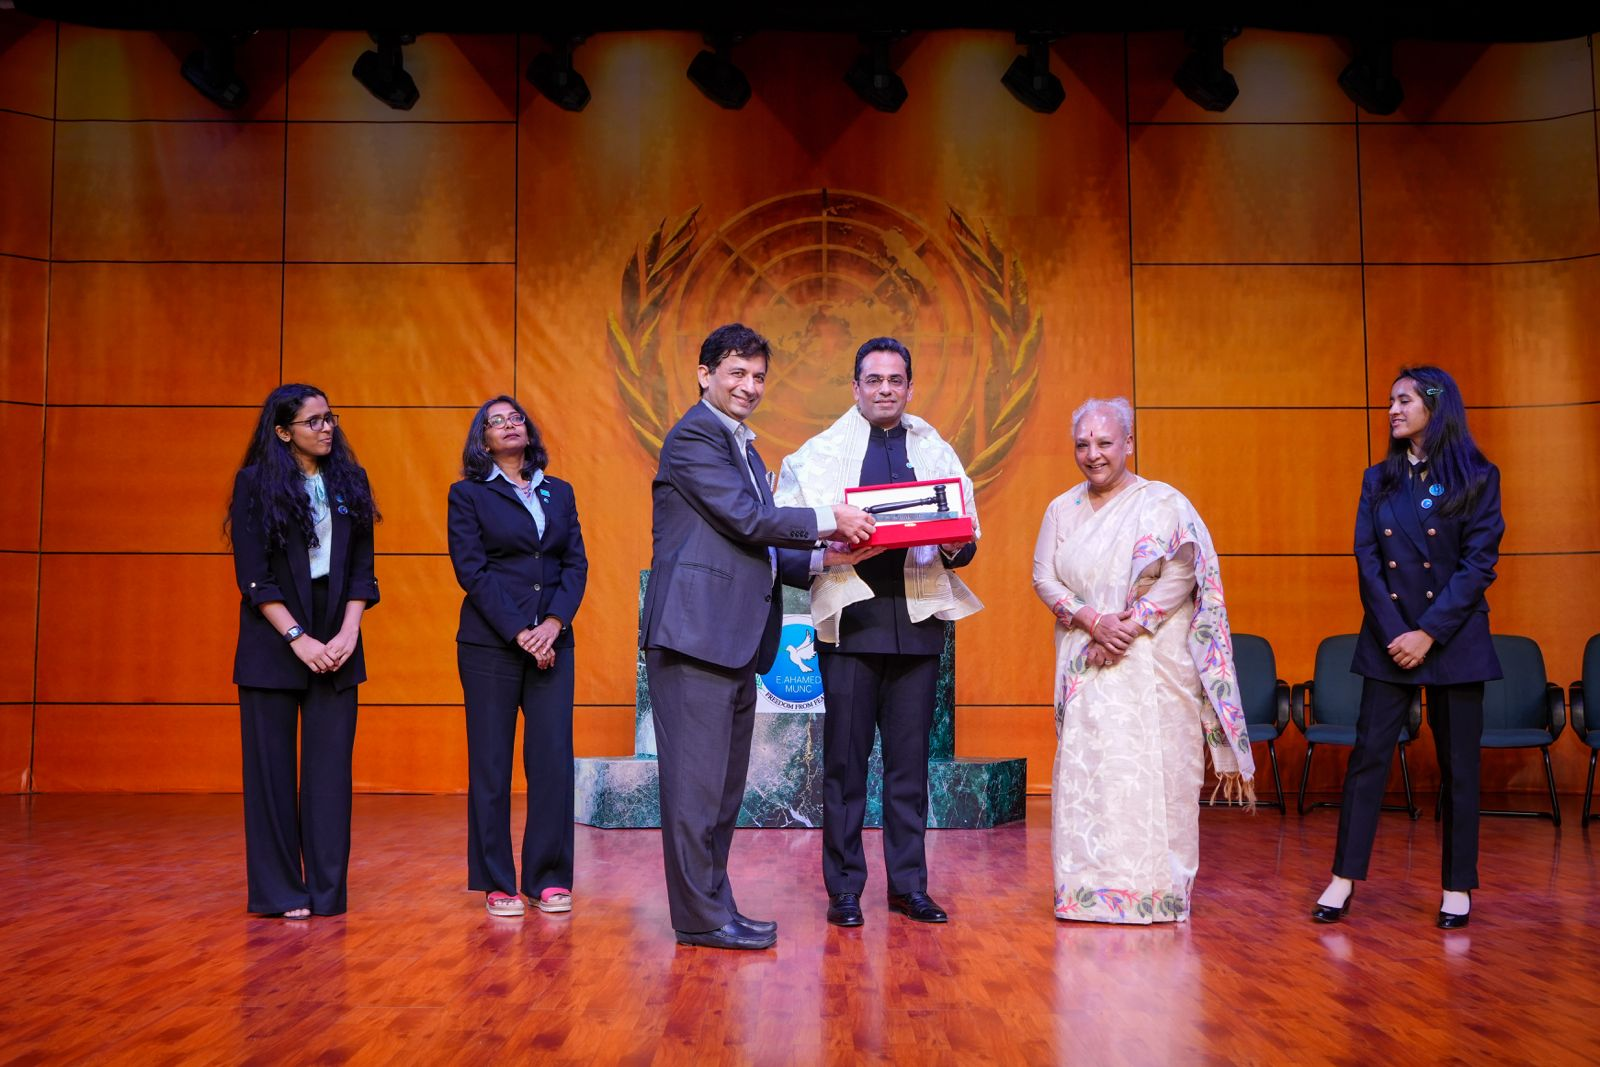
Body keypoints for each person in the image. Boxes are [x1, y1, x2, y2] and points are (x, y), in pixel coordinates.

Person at [641, 322, 877, 950]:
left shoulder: (743, 448)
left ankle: (716, 906)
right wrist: (830, 520)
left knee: (721, 792)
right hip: (694, 637)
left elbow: (757, 545)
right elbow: (748, 519)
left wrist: (825, 560)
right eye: (737, 373)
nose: (749, 386)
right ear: (705, 375)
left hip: (732, 640)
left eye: (759, 376)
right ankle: (699, 917)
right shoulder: (694, 436)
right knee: (695, 792)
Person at [775, 337, 981, 928]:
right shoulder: (817, 455)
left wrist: (956, 540)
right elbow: (784, 539)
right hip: (852, 626)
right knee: (844, 766)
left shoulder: (936, 452)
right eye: (873, 379)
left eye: (895, 380)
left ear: (910, 387)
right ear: (855, 387)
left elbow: (966, 543)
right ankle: (844, 888)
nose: (885, 389)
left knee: (909, 767)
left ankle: (909, 887)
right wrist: (828, 546)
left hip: (917, 625)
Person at [1031, 396, 1253, 925]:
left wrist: (1130, 624)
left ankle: (1160, 893)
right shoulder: (1061, 509)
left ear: (1128, 443)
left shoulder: (1163, 503)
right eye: (1082, 444)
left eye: (1105, 442)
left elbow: (1184, 569)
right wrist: (1094, 621)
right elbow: (1044, 577)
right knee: (1094, 773)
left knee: (1160, 773)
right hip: (1087, 658)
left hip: (1154, 659)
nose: (1093, 454)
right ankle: (1088, 891)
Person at [1313, 367, 1503, 929]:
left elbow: (1478, 564)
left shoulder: (1478, 476)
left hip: (1454, 637)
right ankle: (1343, 878)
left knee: (1459, 767)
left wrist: (1429, 633)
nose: (1393, 410)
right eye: (1391, 401)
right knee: (1367, 759)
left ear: (1435, 407)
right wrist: (1399, 631)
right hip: (1389, 636)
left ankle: (1457, 885)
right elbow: (1368, 559)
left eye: (1405, 400)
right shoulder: (1379, 479)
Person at [227, 384, 379, 919]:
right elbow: (254, 577)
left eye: (330, 418)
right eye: (313, 421)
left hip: (336, 631)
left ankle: (326, 892)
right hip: (274, 635)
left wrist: (348, 632)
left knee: (330, 773)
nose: (326, 428)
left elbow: (362, 569)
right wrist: (298, 638)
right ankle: (280, 891)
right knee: (270, 774)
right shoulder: (254, 484)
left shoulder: (350, 480)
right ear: (283, 432)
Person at [448, 396, 587, 918]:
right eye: (496, 421)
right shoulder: (468, 495)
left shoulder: (560, 492)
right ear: (482, 441)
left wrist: (551, 626)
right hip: (491, 646)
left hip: (554, 641)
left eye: (515, 418)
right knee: (491, 764)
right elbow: (472, 571)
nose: (509, 425)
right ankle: (496, 881)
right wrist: (521, 632)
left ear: (529, 430)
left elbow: (575, 565)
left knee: (551, 762)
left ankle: (547, 878)